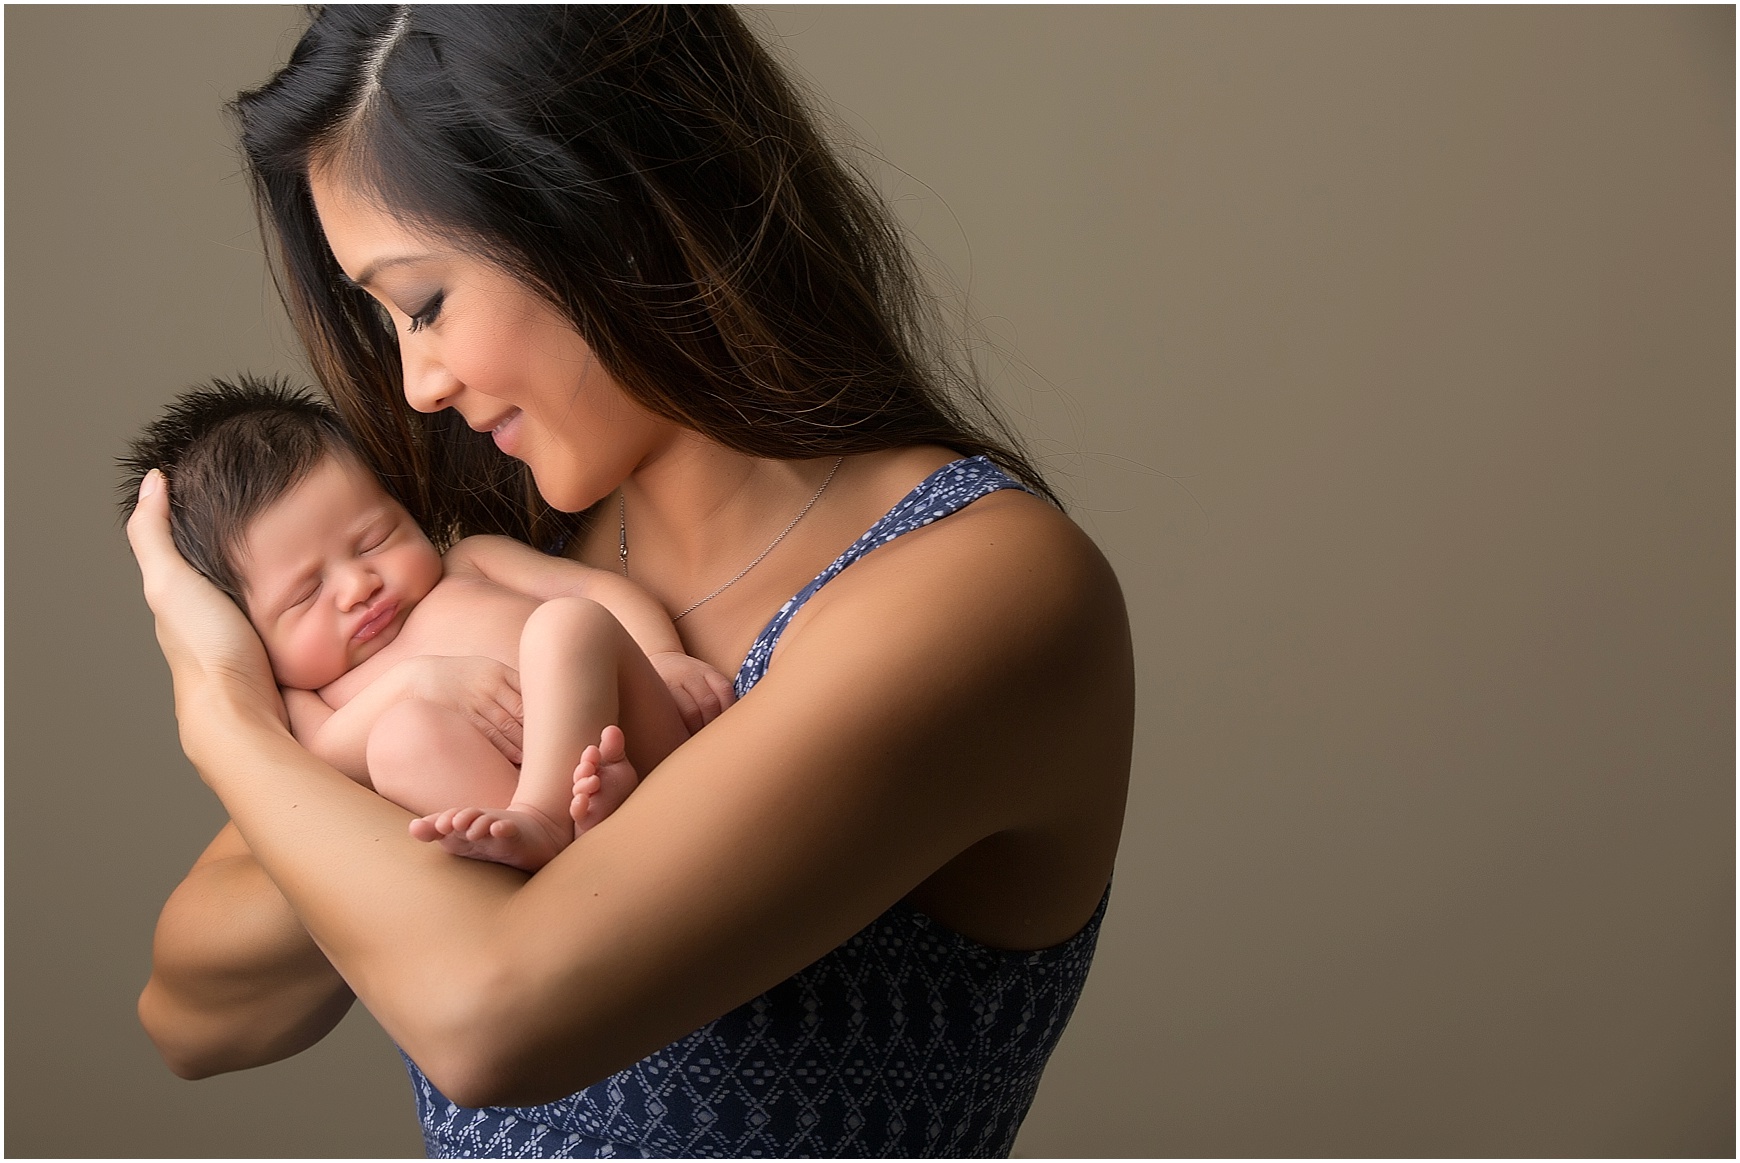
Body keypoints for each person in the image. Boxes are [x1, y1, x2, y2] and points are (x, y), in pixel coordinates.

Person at [129, 6, 1133, 1157]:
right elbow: (193, 1010)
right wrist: (388, 741)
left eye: (425, 303)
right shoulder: (502, 567)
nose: (416, 385)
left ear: (613, 213)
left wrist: (223, 710)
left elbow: (488, 1016)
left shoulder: (977, 588)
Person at [120, 377, 735, 870]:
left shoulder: (468, 562)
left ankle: (551, 814)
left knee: (567, 623)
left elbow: (593, 587)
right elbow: (323, 768)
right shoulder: (309, 701)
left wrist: (660, 659)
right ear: (246, 628)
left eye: (374, 539)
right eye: (306, 594)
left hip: (635, 742)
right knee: (398, 740)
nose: (359, 586)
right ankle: (545, 833)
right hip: (539, 844)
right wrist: (419, 683)